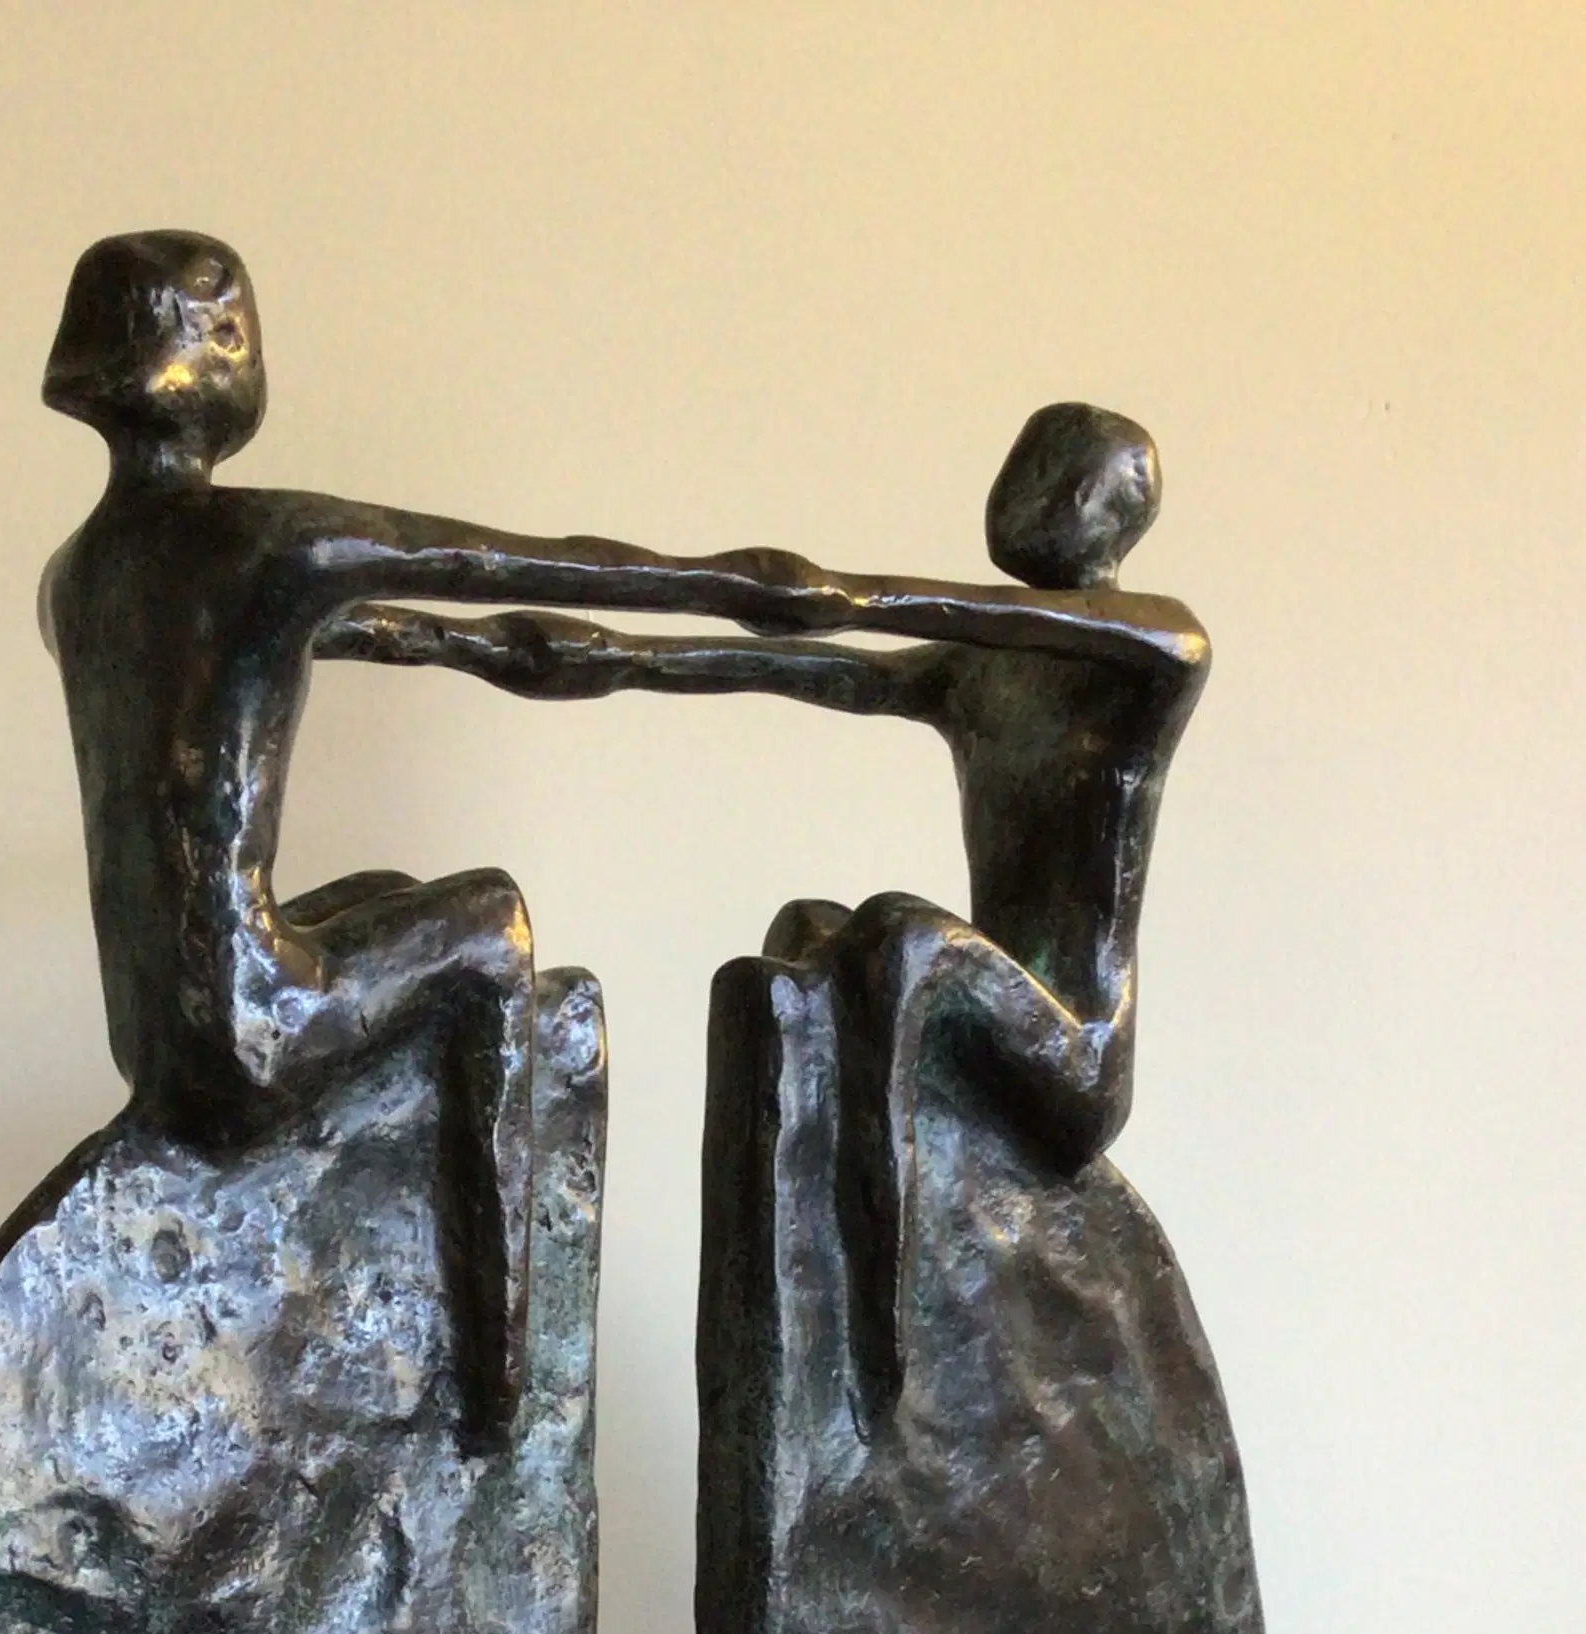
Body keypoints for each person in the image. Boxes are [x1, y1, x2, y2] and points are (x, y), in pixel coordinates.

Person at [39, 228, 868, 1434]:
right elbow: (522, 567)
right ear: (189, 356)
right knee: (488, 923)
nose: (241, 347)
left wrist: (541, 655)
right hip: (250, 1032)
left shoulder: (76, 578)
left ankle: (419, 1248)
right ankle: (499, 1358)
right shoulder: (264, 539)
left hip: (156, 1041)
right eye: (225, 327)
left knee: (380, 891)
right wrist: (757, 594)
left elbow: (369, 638)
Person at [327, 405, 1209, 1416]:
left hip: (1073, 1051)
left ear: (1115, 511)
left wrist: (824, 594)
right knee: (808, 941)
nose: (1024, 498)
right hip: (994, 1025)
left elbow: (937, 622)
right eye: (1024, 471)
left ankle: (885, 1320)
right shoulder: (983, 667)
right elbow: (782, 664)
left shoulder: (1148, 654)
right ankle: (809, 1298)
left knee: (903, 940)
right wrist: (471, 644)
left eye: (1058, 479)